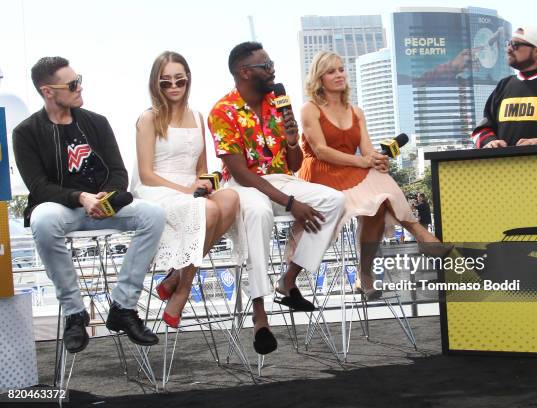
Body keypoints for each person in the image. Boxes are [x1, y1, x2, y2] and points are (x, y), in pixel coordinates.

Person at [12, 57, 165, 353]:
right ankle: (74, 313)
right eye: (72, 84)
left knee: (153, 215)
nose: (80, 87)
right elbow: (40, 187)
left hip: (104, 207)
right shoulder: (26, 132)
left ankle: (123, 306)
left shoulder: (96, 122)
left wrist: (104, 199)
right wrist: (80, 198)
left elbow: (118, 173)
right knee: (42, 220)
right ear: (48, 92)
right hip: (63, 209)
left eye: (78, 79)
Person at [208, 42, 345, 355]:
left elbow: (294, 165)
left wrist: (293, 141)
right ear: (244, 72)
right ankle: (260, 316)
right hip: (243, 185)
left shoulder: (278, 103)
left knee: (335, 201)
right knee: (257, 213)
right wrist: (291, 203)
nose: (273, 70)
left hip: (281, 179)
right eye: (265, 65)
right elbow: (242, 174)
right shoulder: (222, 111)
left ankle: (288, 281)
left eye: (271, 63)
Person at [299, 50, 442, 300]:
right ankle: (418, 233)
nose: (339, 74)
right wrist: (364, 161)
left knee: (378, 200)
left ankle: (364, 274)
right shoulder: (309, 109)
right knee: (379, 185)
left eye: (341, 69)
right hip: (320, 172)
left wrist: (377, 160)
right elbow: (321, 151)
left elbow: (367, 151)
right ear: (319, 78)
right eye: (331, 71)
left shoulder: (357, 112)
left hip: (351, 171)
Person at [132, 51, 241, 328]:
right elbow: (146, 174)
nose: (173, 87)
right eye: (165, 82)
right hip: (157, 188)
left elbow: (201, 168)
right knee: (208, 209)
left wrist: (205, 182)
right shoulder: (148, 119)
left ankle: (176, 277)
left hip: (190, 188)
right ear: (156, 84)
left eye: (179, 81)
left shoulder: (197, 116)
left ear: (188, 80)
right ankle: (183, 289)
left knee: (230, 198)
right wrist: (185, 188)